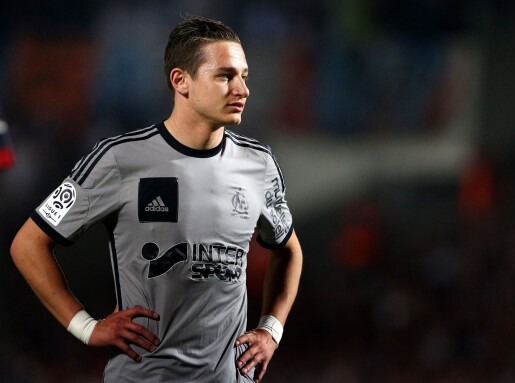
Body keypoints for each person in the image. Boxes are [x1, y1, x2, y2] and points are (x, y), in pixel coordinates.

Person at [10, 15, 302, 383]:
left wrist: (271, 329)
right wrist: (86, 327)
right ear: (181, 81)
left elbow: (289, 250)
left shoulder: (259, 165)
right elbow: (28, 244)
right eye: (226, 76)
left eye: (245, 76)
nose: (242, 89)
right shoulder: (119, 159)